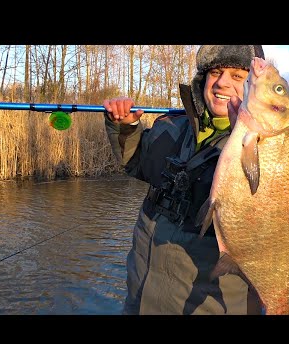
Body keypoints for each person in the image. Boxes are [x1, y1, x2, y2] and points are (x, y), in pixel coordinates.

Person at [103, 45, 265, 315]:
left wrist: (245, 136)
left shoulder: (267, 149)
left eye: (238, 76)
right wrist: (125, 126)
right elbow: (137, 164)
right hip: (140, 298)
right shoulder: (171, 127)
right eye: (215, 72)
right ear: (203, 79)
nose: (222, 83)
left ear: (254, 87)